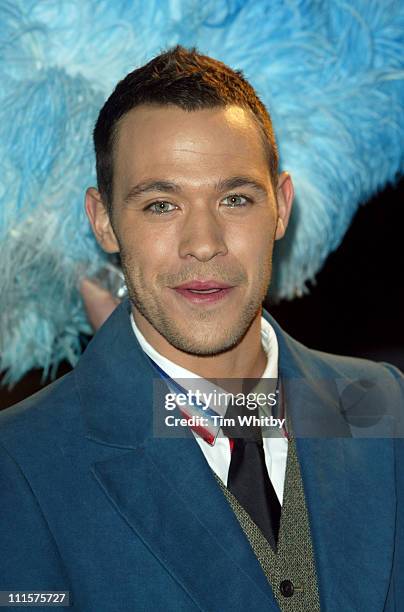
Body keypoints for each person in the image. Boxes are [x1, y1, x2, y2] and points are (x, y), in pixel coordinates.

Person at [0, 45, 403, 612]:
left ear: (281, 207)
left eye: (235, 198)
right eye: (161, 205)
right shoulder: (18, 465)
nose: (205, 243)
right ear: (105, 222)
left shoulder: (385, 406)